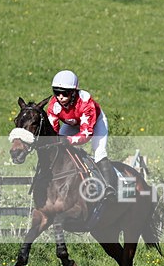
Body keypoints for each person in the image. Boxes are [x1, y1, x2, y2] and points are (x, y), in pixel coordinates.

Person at [46, 69, 115, 200]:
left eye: (64, 93)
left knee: (99, 151)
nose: (60, 97)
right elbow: (52, 132)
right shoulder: (54, 105)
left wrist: (70, 140)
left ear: (73, 92)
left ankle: (108, 187)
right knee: (57, 145)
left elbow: (86, 134)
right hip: (72, 124)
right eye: (56, 92)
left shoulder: (85, 103)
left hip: (95, 123)